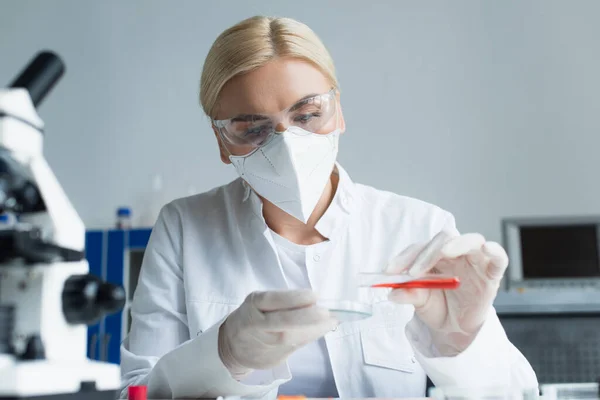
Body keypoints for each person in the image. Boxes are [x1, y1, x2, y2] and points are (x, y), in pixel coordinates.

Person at [120, 15, 538, 399]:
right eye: (253, 130)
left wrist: (462, 340)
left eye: (307, 115)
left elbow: (515, 395)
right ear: (222, 142)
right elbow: (135, 393)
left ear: (337, 112)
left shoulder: (419, 228)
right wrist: (223, 353)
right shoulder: (183, 229)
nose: (286, 146)